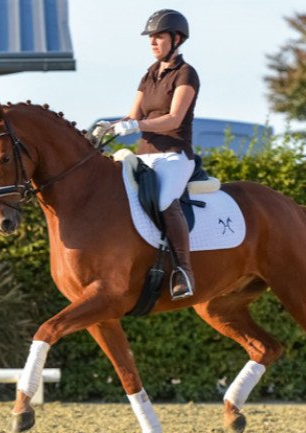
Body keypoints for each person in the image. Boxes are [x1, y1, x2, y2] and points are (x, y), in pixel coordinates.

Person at [101, 9, 200, 300]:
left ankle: (183, 270)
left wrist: (137, 124)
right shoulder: (149, 74)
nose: (153, 42)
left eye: (159, 36)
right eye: (151, 38)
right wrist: (108, 127)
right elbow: (132, 115)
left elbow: (174, 119)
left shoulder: (186, 74)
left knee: (163, 199)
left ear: (176, 38)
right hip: (144, 154)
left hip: (174, 154)